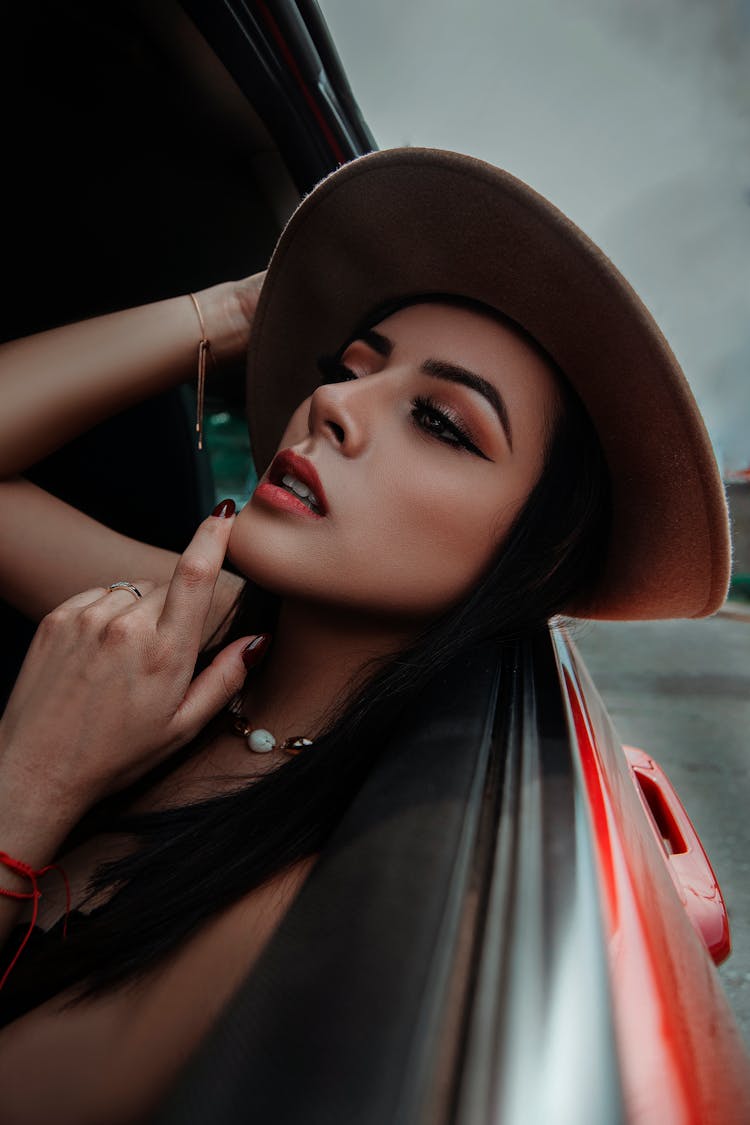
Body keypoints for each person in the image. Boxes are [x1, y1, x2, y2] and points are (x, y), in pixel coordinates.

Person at [0, 148, 730, 1122]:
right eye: (346, 369)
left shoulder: (294, 895)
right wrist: (230, 312)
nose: (334, 407)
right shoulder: (188, 630)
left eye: (439, 419)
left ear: (536, 556)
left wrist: (35, 785)